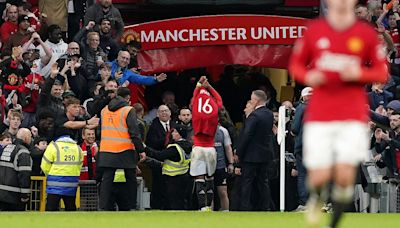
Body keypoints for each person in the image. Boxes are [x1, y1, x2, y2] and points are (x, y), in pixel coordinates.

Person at [288, 0, 388, 227]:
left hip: (351, 111)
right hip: (321, 111)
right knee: (319, 172)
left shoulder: (365, 34)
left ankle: (336, 210)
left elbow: (382, 72)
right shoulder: (315, 32)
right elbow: (296, 65)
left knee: (344, 175)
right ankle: (317, 198)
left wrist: (360, 72)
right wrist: (310, 76)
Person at [97, 87, 146, 211]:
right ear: (128, 98)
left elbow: (99, 131)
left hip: (106, 148)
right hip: (124, 148)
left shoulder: (104, 110)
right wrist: (140, 150)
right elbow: (134, 132)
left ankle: (103, 207)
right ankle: (132, 206)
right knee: (130, 178)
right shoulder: (128, 110)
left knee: (107, 178)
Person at [236, 90, 275, 211]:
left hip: (251, 155)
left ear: (256, 100)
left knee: (247, 182)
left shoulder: (254, 116)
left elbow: (247, 135)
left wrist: (239, 152)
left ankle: (245, 207)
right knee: (263, 182)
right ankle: (265, 206)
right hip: (265, 154)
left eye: (252, 99)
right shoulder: (269, 114)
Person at [190, 76, 223, 211]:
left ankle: (202, 207)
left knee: (199, 178)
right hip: (210, 148)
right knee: (210, 178)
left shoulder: (195, 104)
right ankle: (209, 206)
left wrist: (199, 84)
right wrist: (209, 86)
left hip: (198, 148)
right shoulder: (214, 107)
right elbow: (219, 99)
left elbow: (195, 94)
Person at [145, 124, 192, 210]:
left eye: (175, 132)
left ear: (180, 134)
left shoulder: (175, 148)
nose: (172, 133)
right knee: (182, 201)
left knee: (173, 202)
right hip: (185, 176)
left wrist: (145, 148)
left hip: (173, 178)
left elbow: (159, 155)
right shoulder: (188, 145)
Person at [41, 131, 83, 211]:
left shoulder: (53, 146)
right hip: (71, 184)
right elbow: (79, 166)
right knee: (70, 208)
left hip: (54, 184)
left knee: (51, 209)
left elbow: (44, 166)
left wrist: (49, 175)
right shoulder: (77, 148)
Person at [291, 87, 313, 211]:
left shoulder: (302, 107)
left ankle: (304, 203)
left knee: (303, 175)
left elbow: (295, 128)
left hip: (304, 145)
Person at [0, 128, 32, 211]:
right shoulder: (23, 151)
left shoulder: (7, 148)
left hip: (2, 194)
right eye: (30, 136)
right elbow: (24, 175)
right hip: (14, 195)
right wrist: (25, 195)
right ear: (26, 138)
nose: (31, 139)